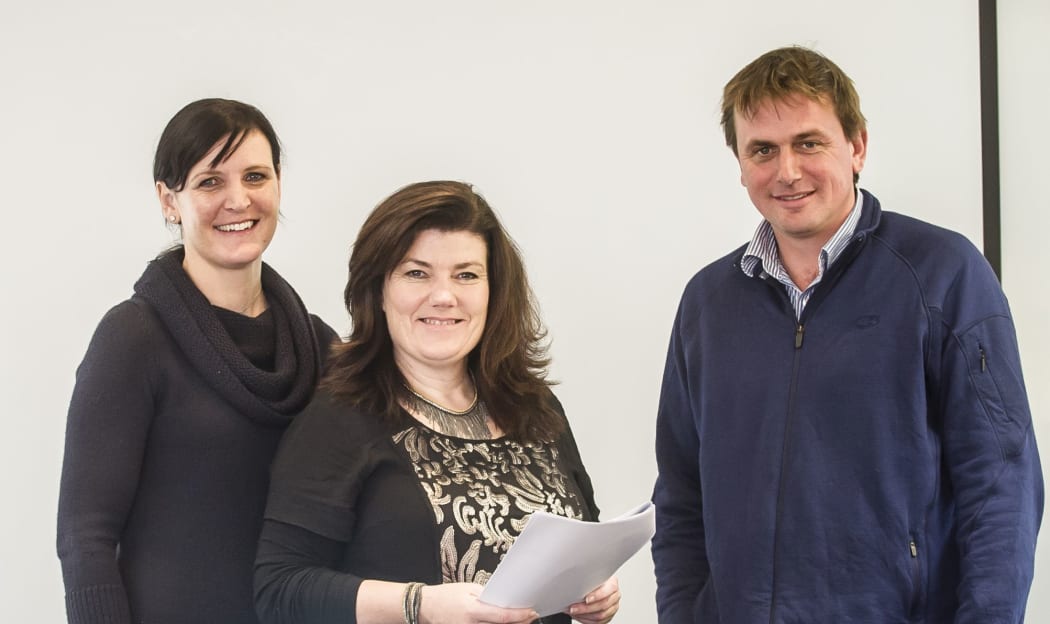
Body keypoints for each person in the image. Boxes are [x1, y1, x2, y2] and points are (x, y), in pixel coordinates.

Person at [651, 46, 1043, 623]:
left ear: (856, 146)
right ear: (740, 165)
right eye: (763, 150)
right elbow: (681, 497)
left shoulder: (942, 274)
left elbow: (1002, 484)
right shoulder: (708, 303)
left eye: (809, 143)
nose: (786, 171)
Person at [253, 180, 620, 624]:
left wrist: (597, 591)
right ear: (379, 291)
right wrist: (418, 605)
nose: (444, 296)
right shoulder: (338, 419)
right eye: (417, 273)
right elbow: (280, 590)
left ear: (494, 291)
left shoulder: (536, 409)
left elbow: (582, 538)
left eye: (466, 274)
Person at [56, 98, 337, 624]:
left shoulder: (318, 346)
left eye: (255, 176)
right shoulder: (133, 339)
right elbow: (84, 537)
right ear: (169, 200)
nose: (238, 199)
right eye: (210, 182)